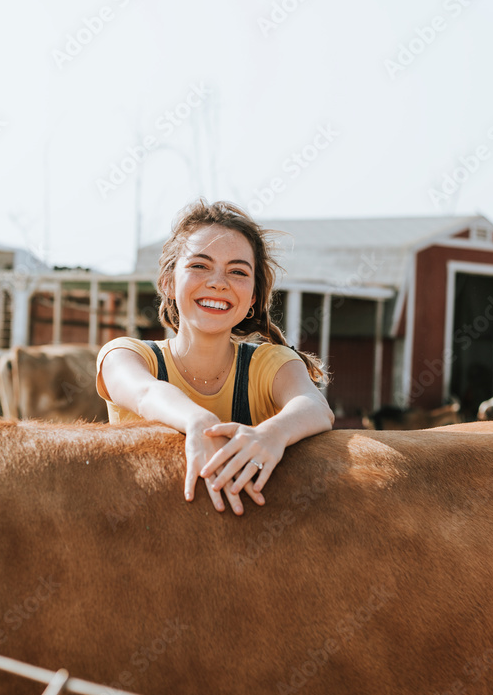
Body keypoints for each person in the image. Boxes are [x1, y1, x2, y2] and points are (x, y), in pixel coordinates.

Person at [96, 199, 334, 515]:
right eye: (199, 265)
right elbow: (145, 392)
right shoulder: (126, 355)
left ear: (252, 299)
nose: (218, 283)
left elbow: (315, 406)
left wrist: (272, 435)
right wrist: (198, 420)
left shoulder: (270, 364)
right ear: (168, 283)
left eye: (237, 271)